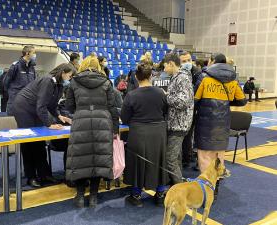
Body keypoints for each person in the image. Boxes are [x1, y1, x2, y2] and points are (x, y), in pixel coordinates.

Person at [65, 55, 119, 208]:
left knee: (81, 159)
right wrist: (115, 128)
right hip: (102, 122)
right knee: (98, 159)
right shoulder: (106, 82)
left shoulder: (74, 81)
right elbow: (112, 107)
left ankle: (80, 196)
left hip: (80, 121)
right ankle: (94, 196)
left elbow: (69, 106)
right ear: (98, 66)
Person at [12, 63, 74, 188]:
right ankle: (31, 177)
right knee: (29, 142)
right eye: (70, 75)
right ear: (63, 72)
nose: (70, 78)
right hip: (23, 108)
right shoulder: (47, 80)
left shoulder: (59, 85)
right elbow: (41, 105)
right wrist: (49, 124)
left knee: (39, 142)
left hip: (35, 109)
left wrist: (59, 116)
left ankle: (45, 175)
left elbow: (52, 105)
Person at [121, 63, 168, 207]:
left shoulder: (131, 95)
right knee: (159, 161)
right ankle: (160, 194)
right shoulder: (160, 93)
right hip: (158, 132)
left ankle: (136, 196)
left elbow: (124, 118)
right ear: (151, 76)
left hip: (139, 132)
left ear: (136, 77)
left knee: (137, 163)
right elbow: (165, 112)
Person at [194, 53, 247, 174]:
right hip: (223, 123)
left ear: (213, 61)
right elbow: (242, 100)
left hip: (205, 122)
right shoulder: (233, 79)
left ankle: (207, 185)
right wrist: (225, 102)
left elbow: (194, 100)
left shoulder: (204, 77)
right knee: (219, 155)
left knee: (204, 155)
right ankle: (216, 183)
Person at [164, 53, 194, 185]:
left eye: (165, 66)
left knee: (170, 159)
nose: (164, 69)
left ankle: (179, 188)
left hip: (179, 124)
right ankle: (177, 183)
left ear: (171, 64)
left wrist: (165, 96)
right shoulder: (176, 77)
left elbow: (183, 102)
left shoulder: (182, 78)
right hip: (176, 123)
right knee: (176, 158)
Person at [4, 45, 37, 115]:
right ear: (27, 53)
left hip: (27, 97)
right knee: (12, 118)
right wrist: (11, 92)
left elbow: (34, 82)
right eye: (34, 53)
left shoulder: (32, 67)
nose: (35, 55)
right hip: (15, 96)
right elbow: (6, 81)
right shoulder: (16, 66)